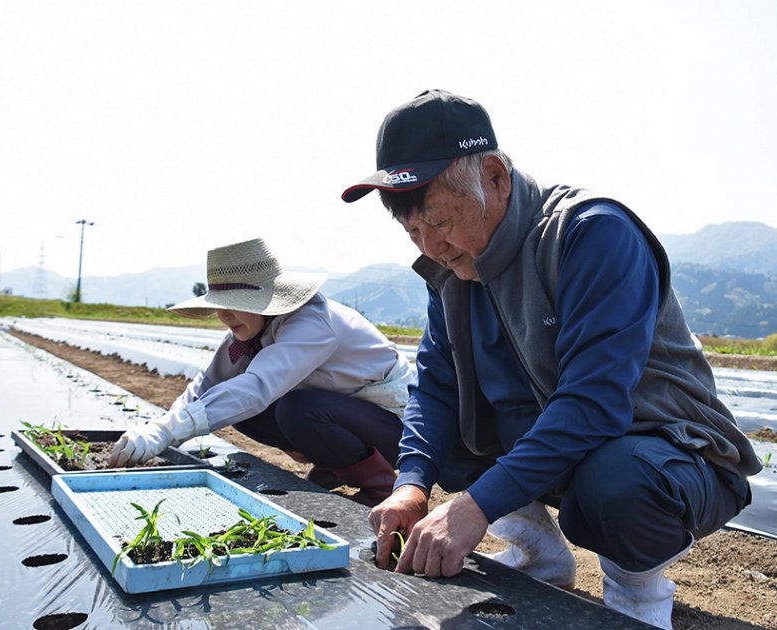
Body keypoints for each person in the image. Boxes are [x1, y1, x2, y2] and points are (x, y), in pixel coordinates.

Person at [341, 89, 761, 629]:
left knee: (616, 486)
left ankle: (638, 600)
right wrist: (411, 484)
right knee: (441, 439)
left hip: (671, 454)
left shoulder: (589, 234)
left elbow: (594, 404)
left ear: (494, 176)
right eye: (413, 232)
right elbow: (436, 386)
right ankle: (543, 555)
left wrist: (475, 507)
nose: (430, 248)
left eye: (440, 223)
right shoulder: (450, 268)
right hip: (568, 448)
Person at [109, 237, 415, 507]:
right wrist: (160, 432)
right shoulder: (250, 332)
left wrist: (167, 431)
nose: (223, 314)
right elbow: (205, 386)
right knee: (240, 408)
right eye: (219, 305)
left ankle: (380, 487)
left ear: (266, 300)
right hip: (348, 412)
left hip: (398, 426)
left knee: (297, 409)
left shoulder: (311, 322)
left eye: (234, 304)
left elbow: (257, 386)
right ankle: (333, 464)